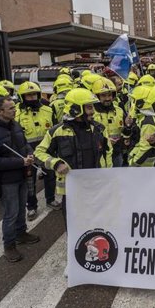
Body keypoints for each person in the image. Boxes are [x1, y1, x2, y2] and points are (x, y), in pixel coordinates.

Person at [35, 88, 113, 228]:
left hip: (95, 188)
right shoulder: (57, 132)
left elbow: (108, 155)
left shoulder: (99, 129)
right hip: (72, 191)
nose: (93, 111)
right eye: (89, 107)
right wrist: (56, 163)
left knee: (97, 224)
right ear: (76, 109)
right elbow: (39, 153)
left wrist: (108, 178)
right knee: (74, 226)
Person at [0, 96, 40, 262]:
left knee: (21, 207)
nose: (15, 110)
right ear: (0, 112)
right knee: (11, 213)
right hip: (7, 180)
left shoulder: (14, 124)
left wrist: (29, 153)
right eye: (11, 108)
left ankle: (21, 233)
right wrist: (20, 161)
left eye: (14, 107)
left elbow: (24, 143)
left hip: (23, 174)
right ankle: (9, 245)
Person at [15, 81, 59, 220]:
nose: (32, 98)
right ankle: (32, 206)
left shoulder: (48, 109)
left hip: (46, 149)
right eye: (28, 95)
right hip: (27, 151)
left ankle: (50, 199)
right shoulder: (16, 113)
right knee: (29, 180)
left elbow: (55, 129)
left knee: (50, 175)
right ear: (22, 97)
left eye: (34, 94)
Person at [91, 78, 130, 167]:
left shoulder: (119, 111)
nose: (108, 98)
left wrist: (128, 126)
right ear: (97, 96)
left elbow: (126, 132)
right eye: (103, 95)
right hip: (98, 155)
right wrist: (106, 141)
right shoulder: (92, 113)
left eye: (109, 95)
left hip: (116, 154)